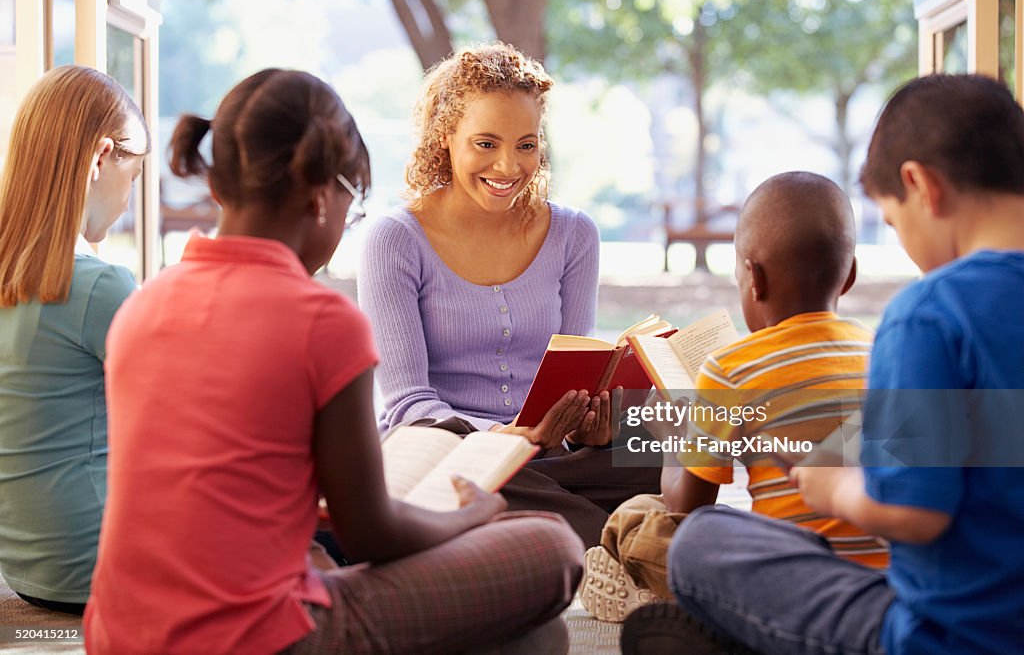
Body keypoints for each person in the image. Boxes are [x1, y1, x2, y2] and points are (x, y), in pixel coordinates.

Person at [84, 68, 582, 655]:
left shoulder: (145, 307)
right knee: (552, 548)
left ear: (220, 186)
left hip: (118, 632)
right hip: (263, 638)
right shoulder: (321, 319)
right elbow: (372, 531)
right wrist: (472, 519)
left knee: (534, 635)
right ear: (324, 195)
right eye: (355, 200)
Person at [622, 74, 1024, 655]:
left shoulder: (931, 313)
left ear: (921, 187)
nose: (907, 244)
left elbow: (916, 511)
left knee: (701, 543)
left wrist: (834, 490)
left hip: (944, 631)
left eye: (894, 220)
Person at [358, 42, 659, 546]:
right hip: (449, 448)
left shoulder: (574, 234)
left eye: (525, 144)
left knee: (670, 448)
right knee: (453, 461)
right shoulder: (395, 239)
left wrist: (586, 425)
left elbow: (576, 368)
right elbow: (407, 401)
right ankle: (613, 539)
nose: (508, 167)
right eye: (485, 144)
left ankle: (537, 529)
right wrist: (503, 438)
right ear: (445, 136)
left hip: (547, 456)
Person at [581, 172, 888, 623]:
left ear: (753, 279)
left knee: (637, 517)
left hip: (783, 583)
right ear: (850, 276)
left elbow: (687, 511)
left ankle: (665, 595)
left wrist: (674, 440)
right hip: (881, 579)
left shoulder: (732, 368)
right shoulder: (883, 353)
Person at [0, 65, 148, 614]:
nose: (130, 197)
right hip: (93, 571)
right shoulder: (96, 286)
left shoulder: (10, 275)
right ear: (100, 157)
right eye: (132, 175)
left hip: (26, 566)